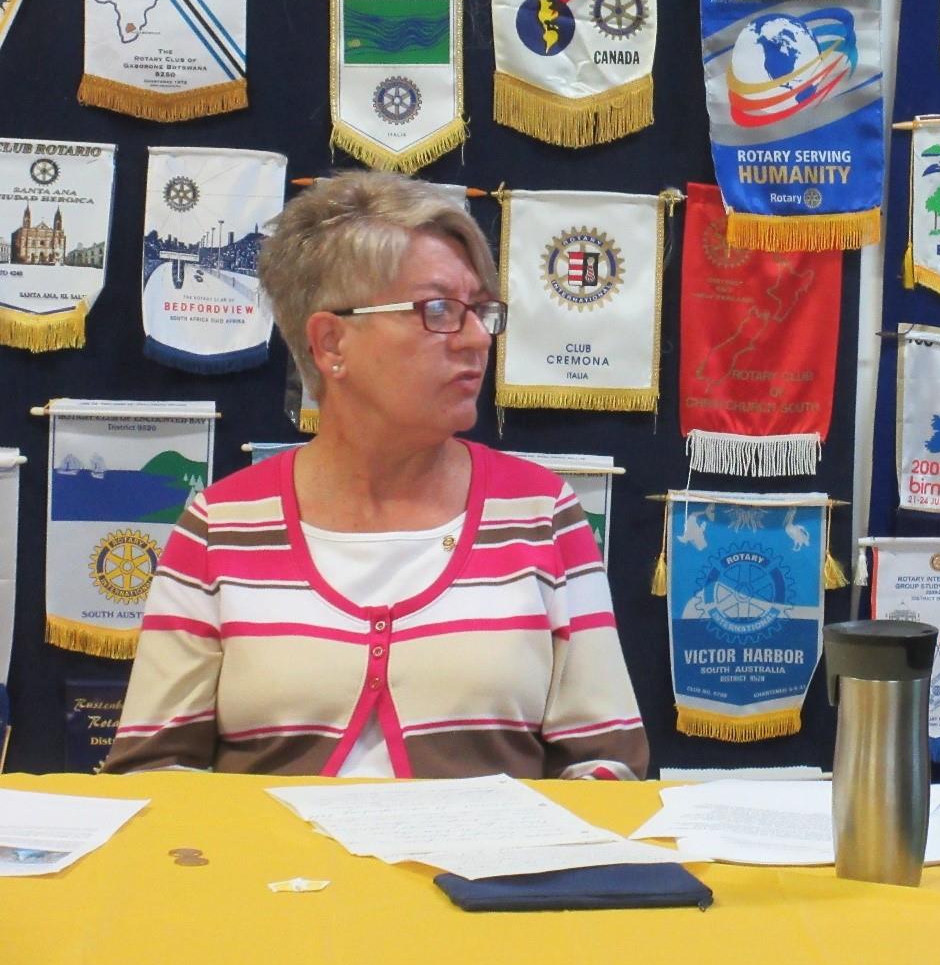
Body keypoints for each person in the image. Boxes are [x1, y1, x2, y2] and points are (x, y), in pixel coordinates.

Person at [104, 172, 648, 780]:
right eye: (439, 310)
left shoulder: (541, 512)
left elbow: (606, 767)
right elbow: (152, 775)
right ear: (331, 342)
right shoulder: (221, 525)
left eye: (480, 310)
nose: (476, 339)